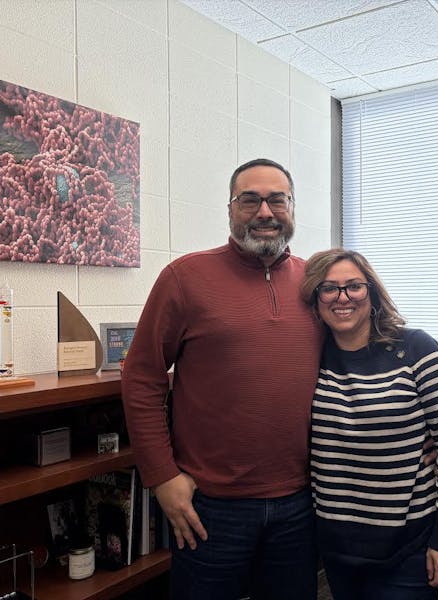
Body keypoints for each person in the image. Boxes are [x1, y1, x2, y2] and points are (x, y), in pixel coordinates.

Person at [121, 158, 323, 600]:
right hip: (210, 506)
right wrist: (161, 477)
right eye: (250, 199)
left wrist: (414, 431)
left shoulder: (315, 282)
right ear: (230, 209)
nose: (264, 212)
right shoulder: (184, 278)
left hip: (301, 502)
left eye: (277, 199)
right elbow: (142, 378)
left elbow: (358, 363)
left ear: (293, 207)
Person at [301, 248, 438, 599]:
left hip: (408, 548)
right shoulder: (310, 357)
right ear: (316, 299)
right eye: (329, 288)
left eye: (354, 286)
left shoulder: (416, 348)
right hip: (336, 547)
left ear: (372, 292)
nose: (342, 297)